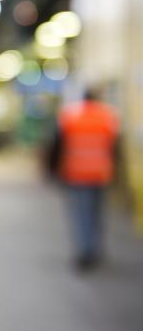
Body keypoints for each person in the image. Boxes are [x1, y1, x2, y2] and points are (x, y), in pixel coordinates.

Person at [49, 89, 119, 271]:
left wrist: (53, 171)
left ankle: (85, 252)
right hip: (101, 173)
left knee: (81, 214)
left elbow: (57, 146)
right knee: (97, 213)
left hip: (77, 173)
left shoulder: (70, 117)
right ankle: (96, 250)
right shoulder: (107, 117)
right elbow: (114, 147)